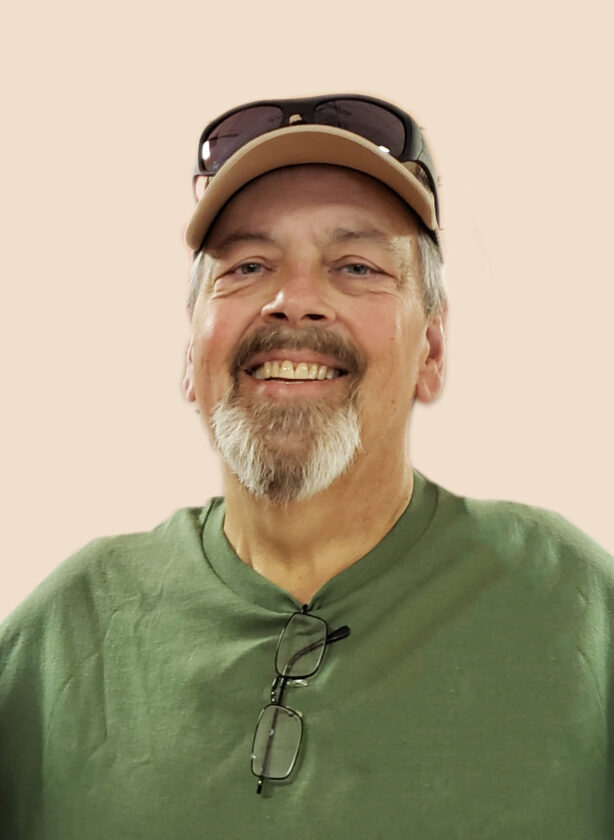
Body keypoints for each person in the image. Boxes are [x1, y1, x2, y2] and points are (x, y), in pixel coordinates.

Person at [1, 94, 613, 838]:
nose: (293, 302)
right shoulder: (61, 635)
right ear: (190, 356)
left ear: (432, 349)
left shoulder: (577, 607)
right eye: (247, 266)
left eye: (356, 266)